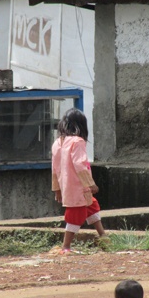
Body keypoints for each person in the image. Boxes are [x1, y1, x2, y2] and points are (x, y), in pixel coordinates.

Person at [51, 108, 107, 254]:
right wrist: (91, 183)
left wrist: (57, 189)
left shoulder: (58, 142)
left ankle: (104, 236)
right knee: (76, 215)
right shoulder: (78, 142)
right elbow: (80, 164)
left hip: (67, 186)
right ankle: (66, 246)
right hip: (79, 186)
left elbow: (54, 168)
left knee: (91, 206)